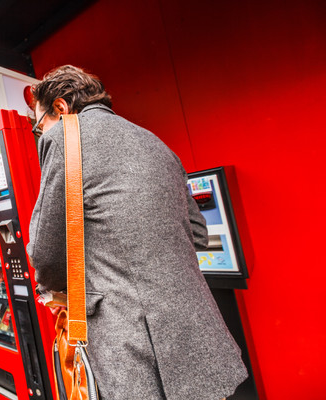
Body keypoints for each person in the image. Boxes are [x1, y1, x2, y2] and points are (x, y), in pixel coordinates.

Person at [26, 65, 248, 399]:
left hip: (132, 340)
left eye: (38, 124)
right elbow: (198, 234)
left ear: (60, 107)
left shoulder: (64, 136)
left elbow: (45, 253)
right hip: (197, 334)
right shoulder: (155, 142)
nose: (40, 132)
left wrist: (54, 288)